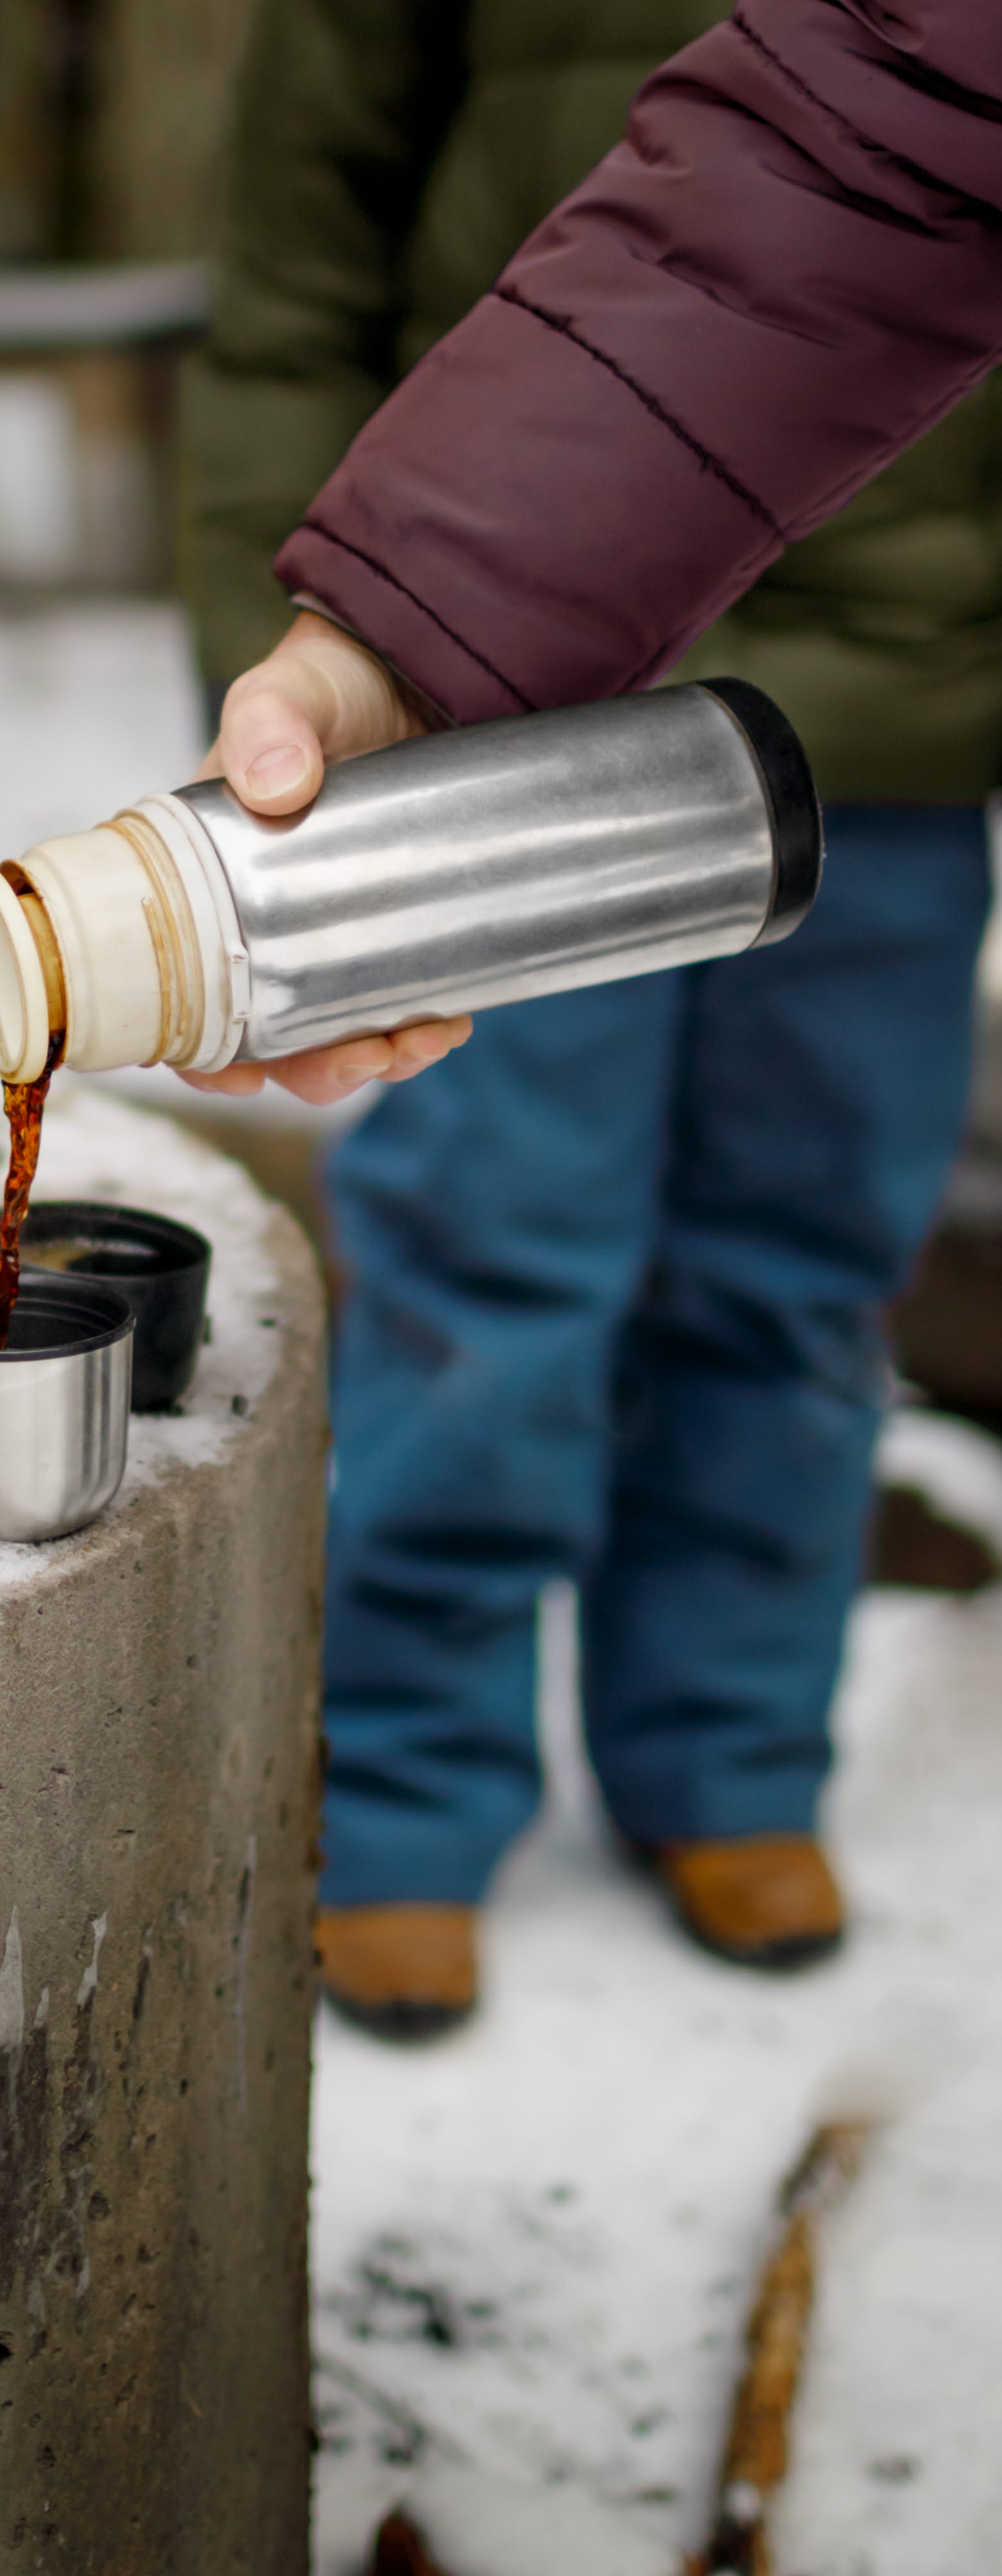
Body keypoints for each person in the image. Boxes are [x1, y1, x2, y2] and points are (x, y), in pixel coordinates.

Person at [177, 0, 1002, 2033]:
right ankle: (403, 1781)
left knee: (800, 1262)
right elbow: (295, 278)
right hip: (515, 710)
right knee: (497, 1257)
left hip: (896, 713)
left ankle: (730, 1752)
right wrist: (294, 649)